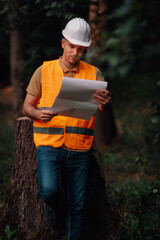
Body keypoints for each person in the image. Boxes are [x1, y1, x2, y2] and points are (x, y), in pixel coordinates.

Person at [23, 17, 111, 240]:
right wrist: (37, 113)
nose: (75, 53)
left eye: (80, 49)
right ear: (63, 43)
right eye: (72, 46)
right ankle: (53, 206)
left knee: (78, 206)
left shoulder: (94, 74)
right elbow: (26, 106)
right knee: (49, 192)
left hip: (80, 149)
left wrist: (104, 101)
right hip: (49, 146)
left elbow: (101, 108)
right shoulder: (43, 71)